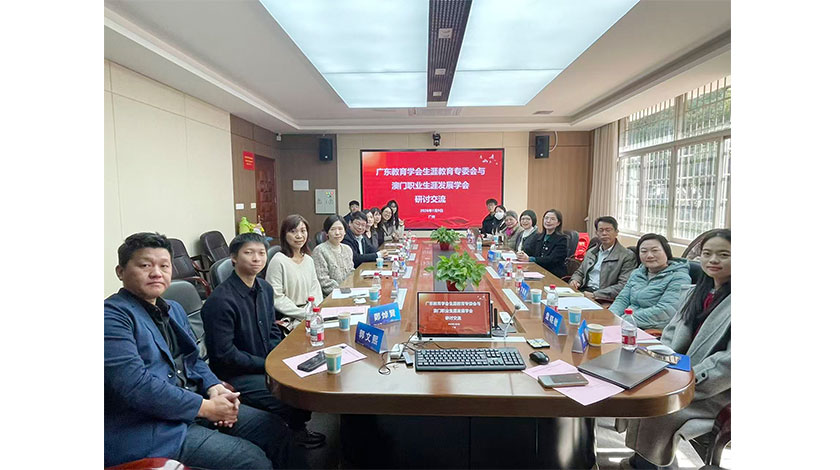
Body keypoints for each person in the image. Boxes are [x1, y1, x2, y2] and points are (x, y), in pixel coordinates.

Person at [105, 232, 299, 469]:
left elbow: (193, 359)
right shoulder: (112, 317)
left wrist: (214, 387)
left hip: (195, 403)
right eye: (145, 265)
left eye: (164, 265)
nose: (156, 272)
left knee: (273, 429)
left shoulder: (174, 309)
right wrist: (207, 408)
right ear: (120, 272)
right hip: (155, 427)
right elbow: (136, 386)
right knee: (252, 461)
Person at [201, 232, 326, 449]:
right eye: (249, 253)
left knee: (306, 377)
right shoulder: (220, 301)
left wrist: (280, 356)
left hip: (265, 362)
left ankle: (296, 428)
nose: (256, 258)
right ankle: (291, 436)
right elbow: (225, 354)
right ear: (234, 258)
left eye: (261, 253)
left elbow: (272, 329)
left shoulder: (264, 289)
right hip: (236, 373)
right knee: (290, 396)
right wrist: (268, 364)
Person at [621, 229, 731, 470]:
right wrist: (659, 362)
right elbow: (671, 333)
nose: (713, 260)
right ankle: (643, 460)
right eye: (707, 254)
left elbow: (729, 363)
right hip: (678, 372)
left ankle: (653, 465)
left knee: (657, 409)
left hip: (714, 388)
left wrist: (685, 379)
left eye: (724, 255)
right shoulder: (697, 292)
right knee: (635, 385)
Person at [609, 233, 691, 329]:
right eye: (644, 251)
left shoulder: (679, 277)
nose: (649, 256)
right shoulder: (637, 273)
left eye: (655, 250)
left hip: (652, 328)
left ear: (666, 252)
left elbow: (666, 311)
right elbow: (623, 299)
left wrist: (624, 320)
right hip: (626, 324)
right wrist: (610, 316)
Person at [266, 214, 324, 328]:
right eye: (293, 231)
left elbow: (315, 288)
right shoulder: (278, 261)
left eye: (303, 231)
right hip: (289, 318)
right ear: (284, 235)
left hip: (310, 314)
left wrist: (313, 309)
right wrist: (303, 313)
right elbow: (276, 297)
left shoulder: (308, 259)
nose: (299, 236)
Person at [569, 216, 637, 302]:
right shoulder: (591, 252)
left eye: (608, 230)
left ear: (616, 232)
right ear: (596, 233)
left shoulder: (627, 256)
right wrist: (575, 280)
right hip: (584, 291)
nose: (604, 233)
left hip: (603, 297)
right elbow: (580, 272)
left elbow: (623, 285)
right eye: (601, 230)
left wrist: (596, 295)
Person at [312, 215, 355, 297]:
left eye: (340, 229)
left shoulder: (347, 249)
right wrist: (342, 291)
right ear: (327, 232)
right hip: (330, 296)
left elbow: (351, 272)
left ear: (345, 231)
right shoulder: (320, 251)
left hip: (349, 293)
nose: (337, 233)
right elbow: (323, 281)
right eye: (333, 229)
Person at [517, 209, 568, 278]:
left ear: (558, 223)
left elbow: (552, 259)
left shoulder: (562, 239)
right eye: (546, 218)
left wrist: (531, 259)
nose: (548, 221)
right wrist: (522, 254)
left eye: (552, 219)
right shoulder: (538, 236)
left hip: (553, 274)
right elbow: (529, 251)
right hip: (536, 271)